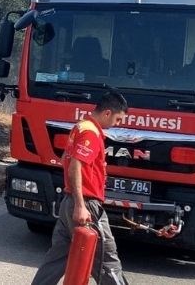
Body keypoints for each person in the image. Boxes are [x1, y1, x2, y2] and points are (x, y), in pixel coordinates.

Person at [32, 91, 129, 285]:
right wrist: (81, 205)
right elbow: (76, 164)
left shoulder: (80, 127)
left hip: (70, 201)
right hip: (87, 204)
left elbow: (64, 161)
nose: (118, 124)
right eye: (118, 119)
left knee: (57, 257)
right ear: (108, 112)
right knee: (106, 259)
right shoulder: (91, 133)